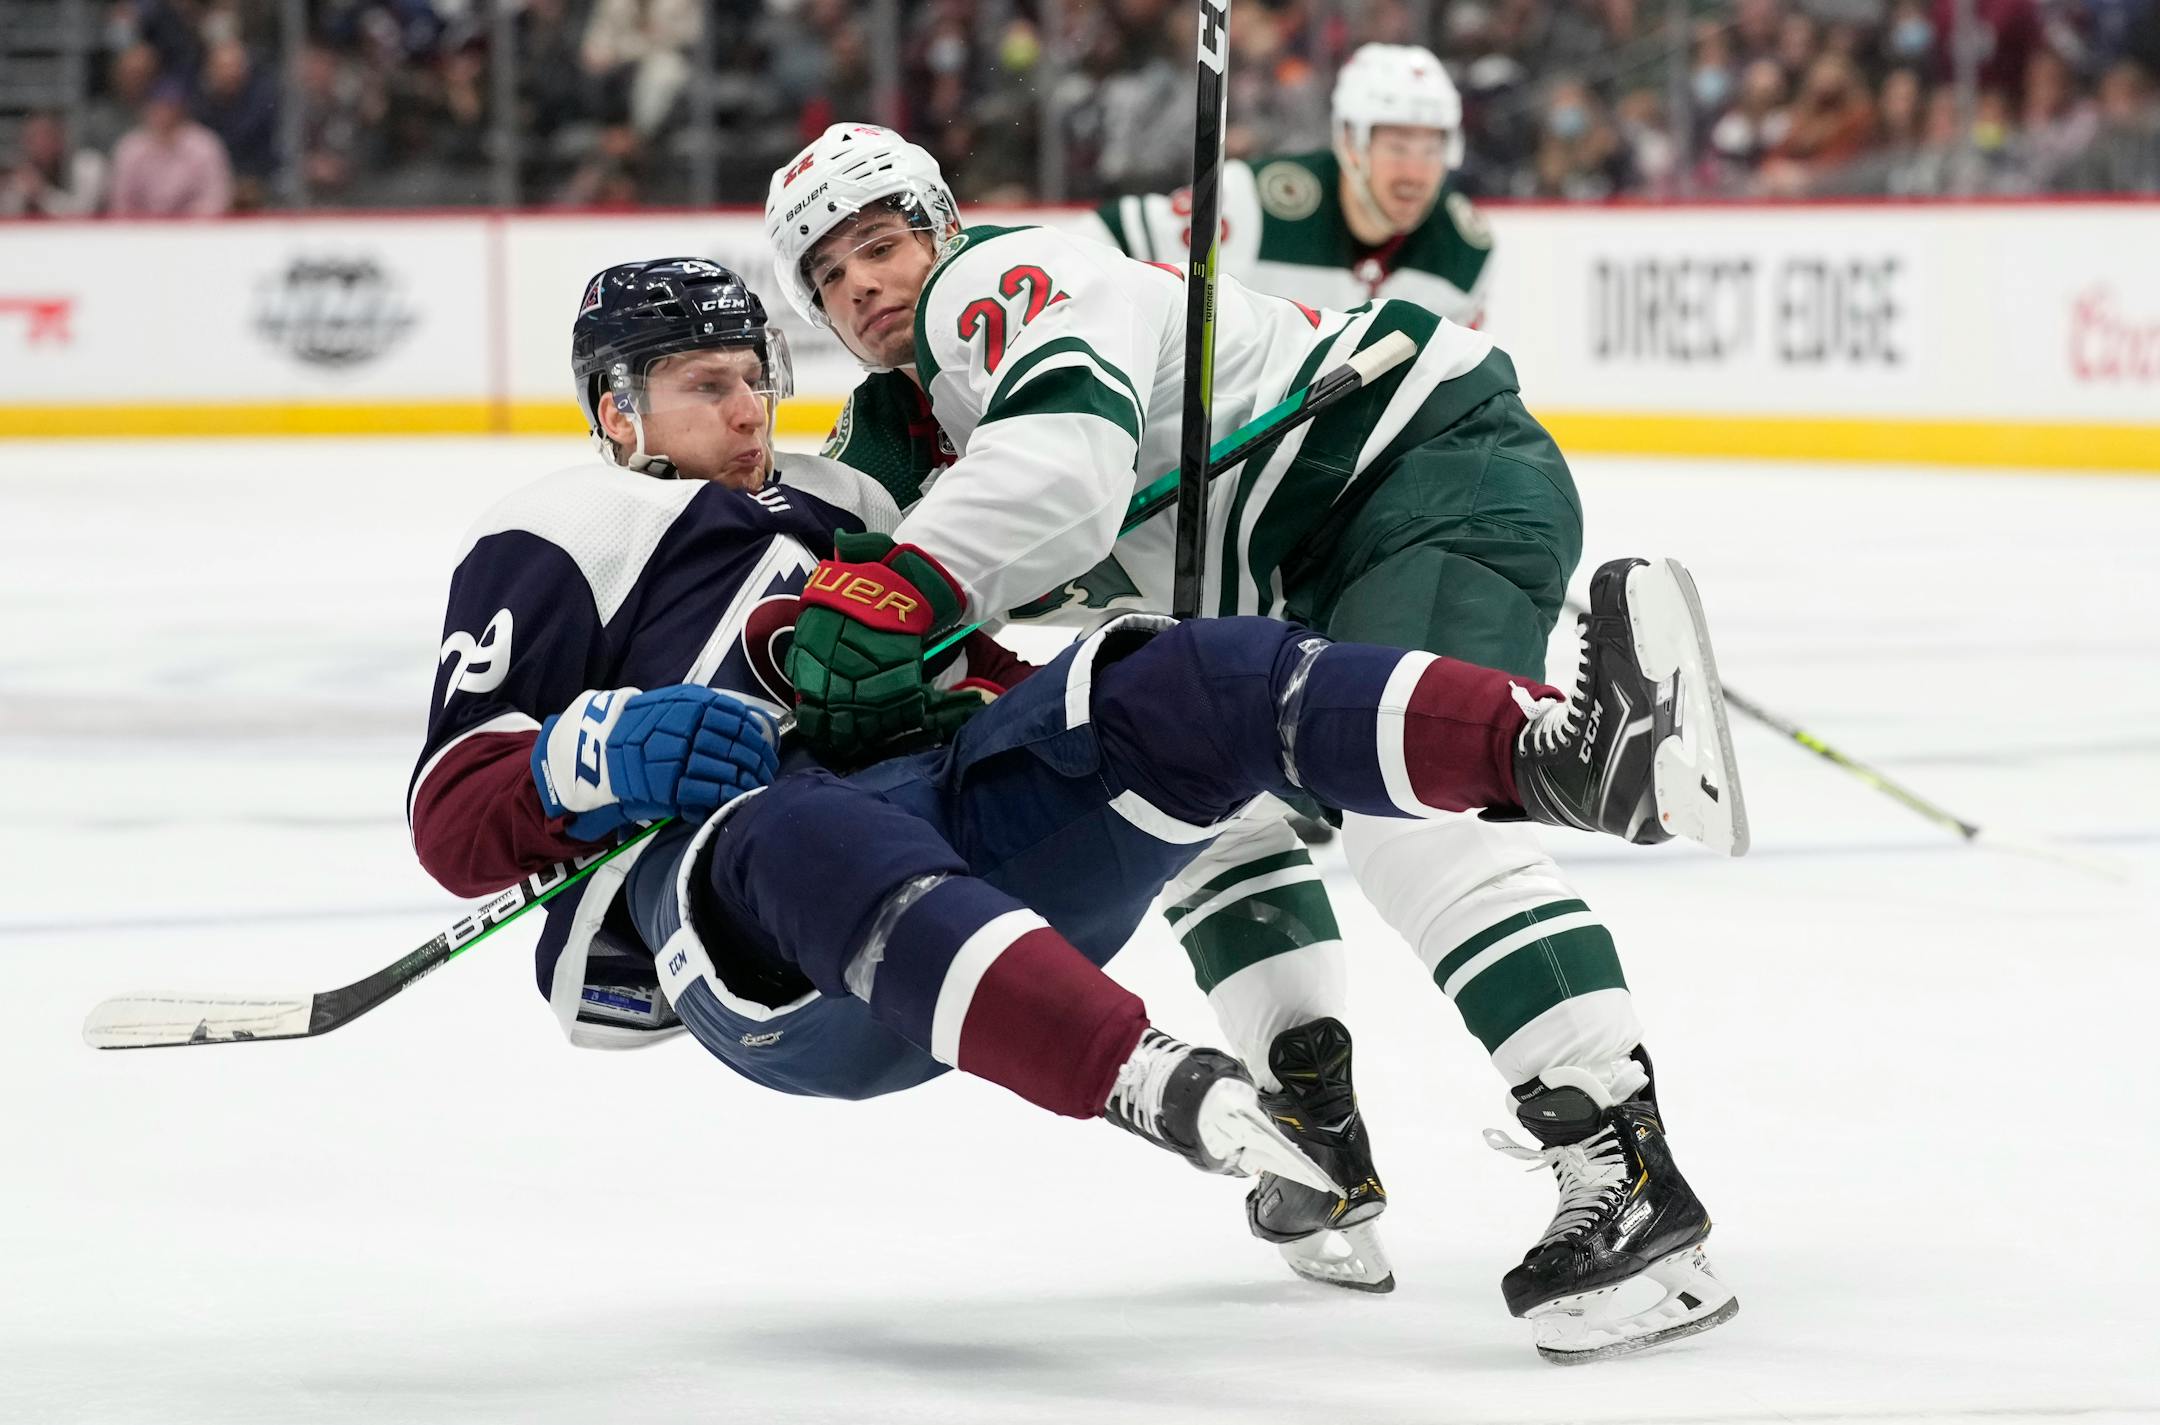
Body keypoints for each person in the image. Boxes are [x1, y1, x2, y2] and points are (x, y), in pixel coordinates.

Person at [407, 257, 1747, 1343]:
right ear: (617, 411)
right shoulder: (558, 527)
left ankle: (1566, 754)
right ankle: (1160, 1083)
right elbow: (452, 812)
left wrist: (979, 690)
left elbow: (991, 671)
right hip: (769, 936)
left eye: (760, 377)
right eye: (708, 386)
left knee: (1177, 679)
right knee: (803, 823)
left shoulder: (834, 521)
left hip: (942, 823)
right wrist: (594, 754)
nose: (751, 410)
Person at [764, 123, 1747, 1359]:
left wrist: (907, 591)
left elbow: (1062, 469)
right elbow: (811, 569)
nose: (860, 284)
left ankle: (1624, 1159)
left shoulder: (990, 287)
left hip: (1414, 479)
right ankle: (1314, 1130)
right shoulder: (896, 427)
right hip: (1278, 587)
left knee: (1403, 819)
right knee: (1191, 807)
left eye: (879, 243)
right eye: (828, 276)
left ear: (942, 228)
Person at [1093, 44, 1493, 327]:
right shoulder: (1254, 203)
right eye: (1397, 147)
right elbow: (1104, 237)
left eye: (1431, 149)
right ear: (1350, 143)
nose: (1416, 172)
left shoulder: (1464, 249)